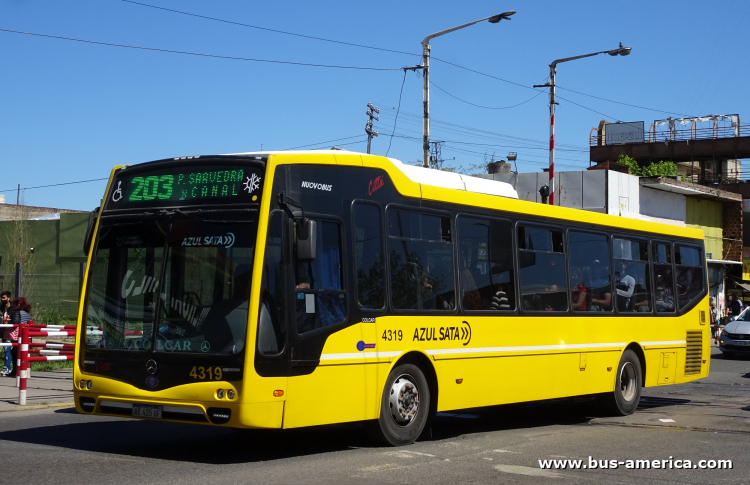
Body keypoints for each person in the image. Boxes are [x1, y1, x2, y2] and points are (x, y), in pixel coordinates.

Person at [4, 297, 31, 377]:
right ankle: (21, 371)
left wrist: (8, 321)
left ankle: (15, 371)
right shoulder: (27, 313)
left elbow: (15, 322)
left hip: (18, 335)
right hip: (25, 335)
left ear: (18, 304)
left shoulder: (17, 312)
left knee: (15, 352)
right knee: (22, 353)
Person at [1, 291, 12, 376]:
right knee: (5, 349)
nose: (2, 299)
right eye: (1, 298)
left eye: (4, 298)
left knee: (7, 349)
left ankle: (7, 367)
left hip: (11, 331)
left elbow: (15, 319)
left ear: (8, 298)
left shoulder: (13, 308)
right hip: (3, 331)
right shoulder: (1, 307)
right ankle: (7, 367)